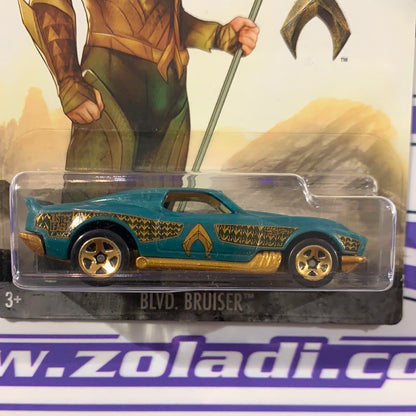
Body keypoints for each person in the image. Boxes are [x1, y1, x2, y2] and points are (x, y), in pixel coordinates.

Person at [19, 0, 259, 172]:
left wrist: (220, 35)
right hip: (110, 89)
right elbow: (51, 4)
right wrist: (68, 79)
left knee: (162, 216)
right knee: (94, 208)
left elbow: (168, 19)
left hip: (172, 98)